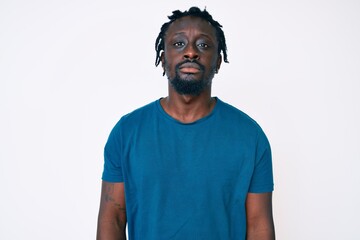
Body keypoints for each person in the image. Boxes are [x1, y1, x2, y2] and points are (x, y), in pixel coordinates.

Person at [97, 6, 275, 240]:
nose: (191, 52)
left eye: (203, 45)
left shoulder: (250, 136)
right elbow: (114, 218)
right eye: (179, 44)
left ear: (218, 62)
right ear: (163, 59)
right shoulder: (127, 132)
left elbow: (258, 225)